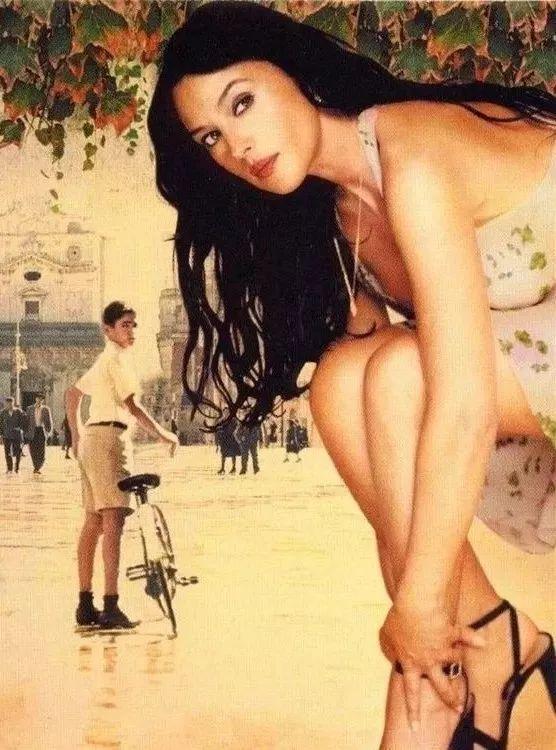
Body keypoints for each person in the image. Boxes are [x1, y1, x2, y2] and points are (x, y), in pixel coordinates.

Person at [147, 4, 556, 748]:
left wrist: (419, 604)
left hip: (512, 392)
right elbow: (383, 448)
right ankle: (468, 651)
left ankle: (460, 653)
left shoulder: (414, 150)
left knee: (399, 370)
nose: (237, 145)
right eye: (210, 137)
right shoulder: (342, 218)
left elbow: (462, 404)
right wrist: (416, 601)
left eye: (242, 103)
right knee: (341, 380)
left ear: (295, 75)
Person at [65, 301, 178, 630]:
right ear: (108, 329)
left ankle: (85, 604)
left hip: (93, 440)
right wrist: (163, 434)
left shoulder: (104, 360)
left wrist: (77, 435)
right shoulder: (116, 360)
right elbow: (133, 405)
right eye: (125, 325)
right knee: (113, 521)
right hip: (109, 440)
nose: (131, 331)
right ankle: (111, 605)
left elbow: (72, 395)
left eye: (133, 324)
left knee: (93, 522)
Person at [25, 394, 52, 474]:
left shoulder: (46, 409)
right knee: (32, 449)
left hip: (41, 431)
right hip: (32, 431)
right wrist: (25, 432)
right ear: (35, 399)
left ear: (43, 400)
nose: (39, 400)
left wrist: (49, 432)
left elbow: (49, 421)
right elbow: (27, 421)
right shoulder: (29, 409)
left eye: (41, 399)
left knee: (41, 450)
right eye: (38, 398)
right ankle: (36, 467)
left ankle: (39, 465)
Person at [0, 397, 25, 474]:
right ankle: (9, 468)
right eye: (7, 404)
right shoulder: (2, 413)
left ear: (13, 403)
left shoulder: (18, 411)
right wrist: (1, 434)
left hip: (17, 435)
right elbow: (0, 424)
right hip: (6, 435)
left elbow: (23, 421)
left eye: (10, 403)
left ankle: (17, 467)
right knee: (7, 452)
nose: (9, 405)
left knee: (18, 452)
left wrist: (20, 428)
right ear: (5, 404)